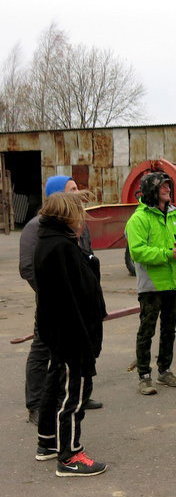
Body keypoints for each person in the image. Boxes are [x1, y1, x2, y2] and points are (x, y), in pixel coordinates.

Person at [33, 192, 108, 476]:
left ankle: (48, 442)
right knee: (73, 394)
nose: (82, 220)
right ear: (67, 217)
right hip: (71, 335)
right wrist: (83, 343)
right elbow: (69, 300)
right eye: (79, 214)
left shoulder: (55, 243)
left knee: (55, 386)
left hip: (61, 332)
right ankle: (70, 454)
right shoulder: (60, 248)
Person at [19, 175, 102, 425]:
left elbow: (85, 255)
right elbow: (27, 267)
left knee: (76, 347)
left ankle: (76, 394)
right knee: (44, 350)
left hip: (76, 301)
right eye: (71, 189)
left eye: (77, 188)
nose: (77, 193)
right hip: (52, 302)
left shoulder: (79, 224)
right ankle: (35, 404)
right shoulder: (36, 227)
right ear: (57, 195)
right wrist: (50, 292)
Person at [125, 172, 176, 395]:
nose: (167, 189)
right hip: (151, 286)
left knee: (169, 330)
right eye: (162, 187)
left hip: (173, 284)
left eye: (168, 186)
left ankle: (164, 371)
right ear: (151, 191)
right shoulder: (139, 219)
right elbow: (137, 252)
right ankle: (144, 376)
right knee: (146, 331)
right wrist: (168, 254)